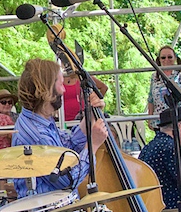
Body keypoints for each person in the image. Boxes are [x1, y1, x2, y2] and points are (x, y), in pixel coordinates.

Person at [12, 58, 109, 197]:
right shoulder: (37, 135)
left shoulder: (39, 120)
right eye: (60, 84)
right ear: (46, 89)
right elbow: (67, 181)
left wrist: (90, 115)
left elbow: (67, 148)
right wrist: (92, 145)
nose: (64, 90)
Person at [147, 46, 181, 126]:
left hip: (180, 120)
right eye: (163, 57)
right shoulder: (155, 76)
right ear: (159, 60)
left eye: (170, 57)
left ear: (175, 58)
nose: (166, 60)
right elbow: (151, 99)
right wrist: (150, 118)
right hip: (160, 121)